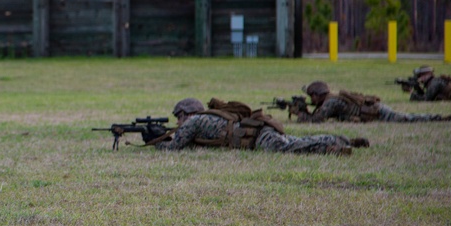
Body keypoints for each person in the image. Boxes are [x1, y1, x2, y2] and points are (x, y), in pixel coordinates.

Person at [151, 98, 365, 155]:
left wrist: (155, 141)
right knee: (294, 142)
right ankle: (342, 140)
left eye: (179, 118)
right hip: (258, 131)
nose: (178, 123)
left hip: (258, 137)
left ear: (186, 114)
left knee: (290, 148)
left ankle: (332, 147)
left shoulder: (195, 121)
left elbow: (174, 149)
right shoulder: (207, 117)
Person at [293, 81, 451, 123]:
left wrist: (301, 113)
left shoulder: (330, 102)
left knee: (408, 119)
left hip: (377, 112)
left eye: (311, 96)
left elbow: (316, 120)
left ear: (317, 94)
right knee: (407, 118)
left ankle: (440, 119)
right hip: (374, 110)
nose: (311, 100)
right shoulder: (331, 98)